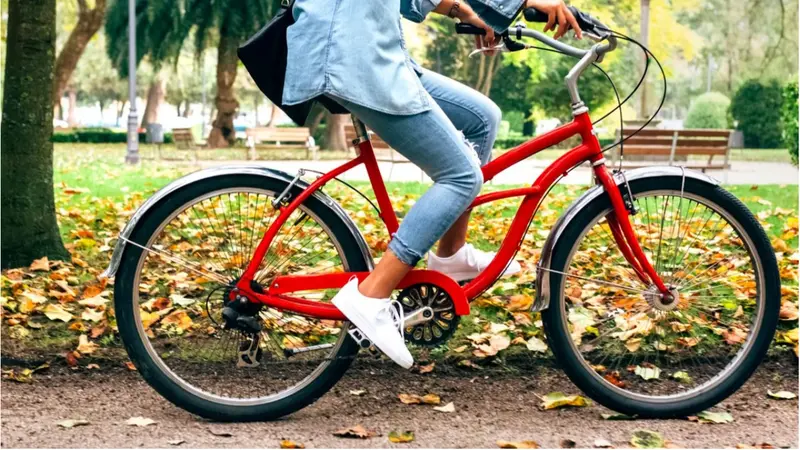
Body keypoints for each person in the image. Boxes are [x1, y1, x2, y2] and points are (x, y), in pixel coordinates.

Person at [283, 0, 581, 369]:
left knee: (482, 118)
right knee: (462, 176)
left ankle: (450, 255)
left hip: (366, 49)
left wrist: (466, 11)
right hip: (354, 58)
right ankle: (371, 295)